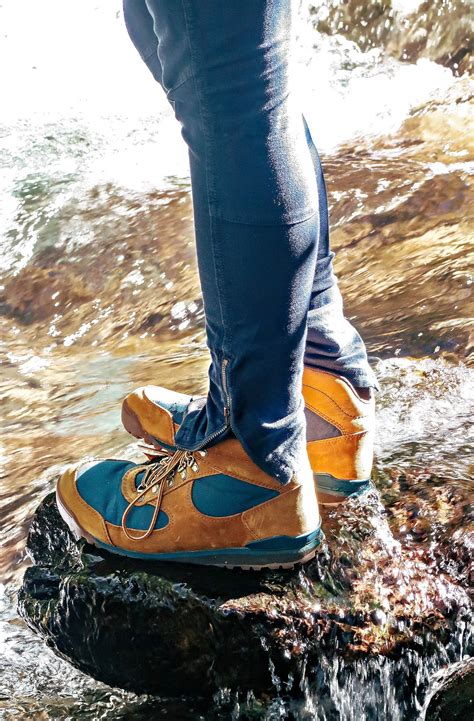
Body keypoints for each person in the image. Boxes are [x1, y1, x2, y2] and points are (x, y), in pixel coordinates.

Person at [56, 0, 378, 570]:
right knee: (210, 55)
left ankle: (254, 458)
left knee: (229, 85)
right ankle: (315, 380)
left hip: (255, 457)